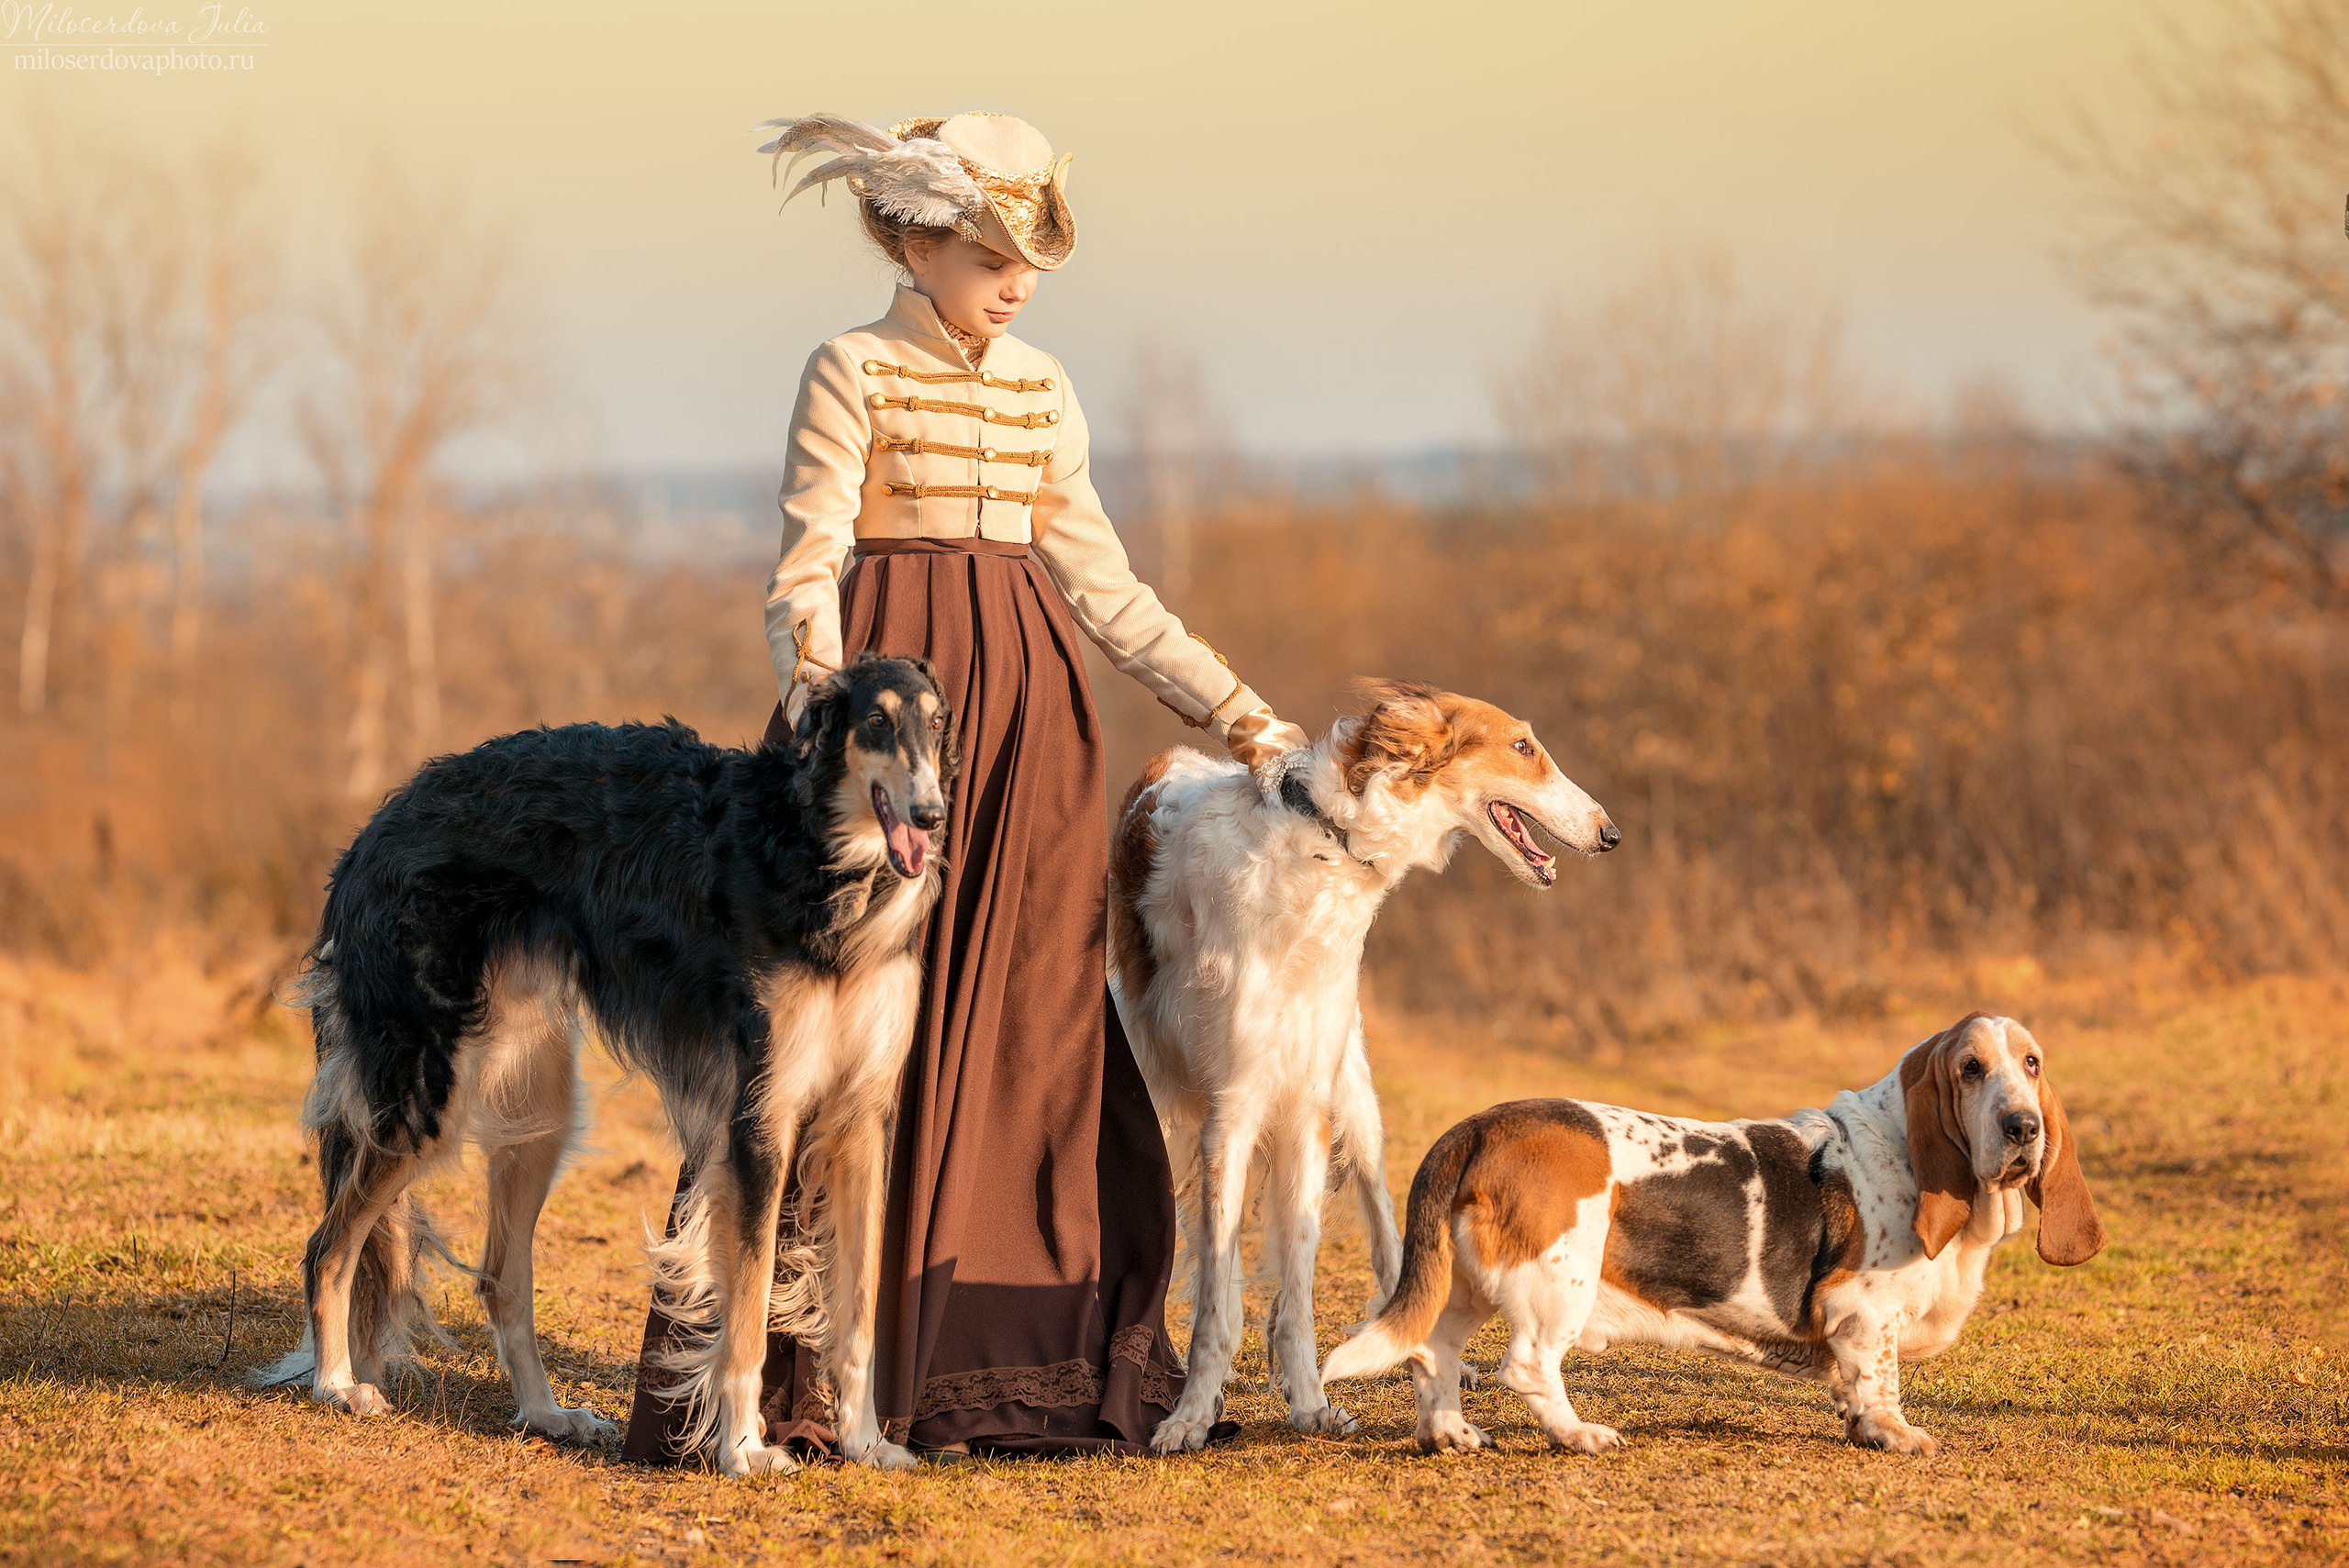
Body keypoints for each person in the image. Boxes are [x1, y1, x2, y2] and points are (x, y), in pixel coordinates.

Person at [620, 110, 1307, 1462]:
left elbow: (1103, 586)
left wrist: (1240, 710)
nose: (1017, 281)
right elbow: (808, 558)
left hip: (1035, 734)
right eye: (993, 250)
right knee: (830, 1038)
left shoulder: (1045, 387)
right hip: (881, 728)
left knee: (1024, 1019)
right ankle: (811, 1377)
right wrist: (818, 702)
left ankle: (997, 1366)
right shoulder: (852, 367)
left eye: (1032, 259)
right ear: (919, 236)